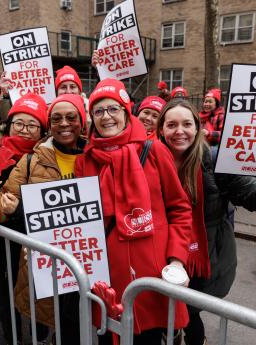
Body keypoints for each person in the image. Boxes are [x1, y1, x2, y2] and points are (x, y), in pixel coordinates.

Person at [0, 93, 87, 345]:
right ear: (49, 126)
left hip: (88, 254)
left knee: (85, 319)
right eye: (57, 118)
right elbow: (5, 197)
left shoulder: (96, 155)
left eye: (71, 117)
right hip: (48, 254)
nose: (64, 124)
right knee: (55, 318)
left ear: (82, 121)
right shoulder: (32, 160)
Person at [75, 79, 192, 345]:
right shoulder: (85, 161)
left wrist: (177, 260)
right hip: (107, 278)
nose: (106, 117)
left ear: (126, 111)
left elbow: (180, 208)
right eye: (98, 111)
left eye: (113, 109)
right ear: (91, 117)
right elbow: (81, 220)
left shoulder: (155, 151)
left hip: (151, 276)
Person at [156, 98, 256, 345]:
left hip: (208, 256)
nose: (179, 131)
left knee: (189, 312)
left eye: (187, 124)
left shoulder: (215, 160)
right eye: (171, 125)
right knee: (166, 311)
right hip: (165, 253)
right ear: (161, 129)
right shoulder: (150, 160)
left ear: (198, 128)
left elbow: (250, 194)